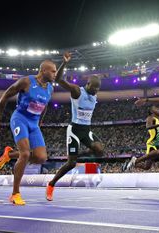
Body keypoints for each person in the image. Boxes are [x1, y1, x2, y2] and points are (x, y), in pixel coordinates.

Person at [0, 59, 56, 205]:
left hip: (34, 123)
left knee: (41, 158)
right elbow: (5, 96)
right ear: (43, 70)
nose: (55, 74)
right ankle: (15, 194)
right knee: (25, 153)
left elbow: (44, 106)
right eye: (53, 71)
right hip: (20, 118)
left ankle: (9, 154)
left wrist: (40, 122)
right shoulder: (26, 82)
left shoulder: (50, 88)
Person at [46, 52, 104, 201]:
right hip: (75, 130)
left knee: (99, 150)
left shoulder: (94, 95)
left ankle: (78, 153)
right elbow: (58, 79)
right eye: (94, 88)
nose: (96, 91)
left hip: (86, 130)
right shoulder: (77, 91)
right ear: (88, 84)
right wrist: (64, 63)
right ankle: (51, 184)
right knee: (71, 164)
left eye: (98, 89)